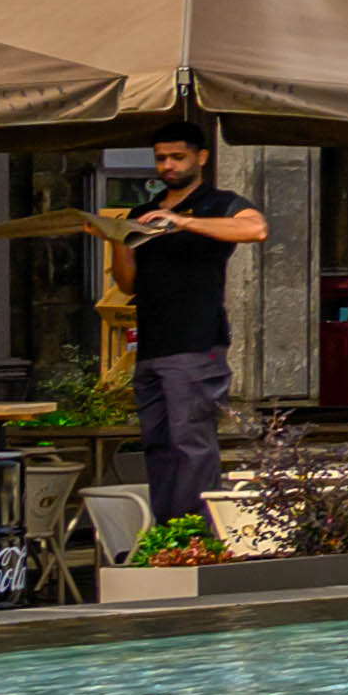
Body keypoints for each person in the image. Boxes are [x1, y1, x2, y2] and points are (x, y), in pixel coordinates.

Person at [113, 128, 262, 537]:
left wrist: (182, 221)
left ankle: (198, 537)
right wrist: (118, 241)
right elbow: (127, 284)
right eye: (161, 158)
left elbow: (255, 229)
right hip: (151, 344)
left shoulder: (217, 203)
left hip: (197, 342)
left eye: (177, 157)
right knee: (158, 444)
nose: (168, 166)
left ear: (202, 157)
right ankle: (168, 535)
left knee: (190, 442)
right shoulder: (144, 211)